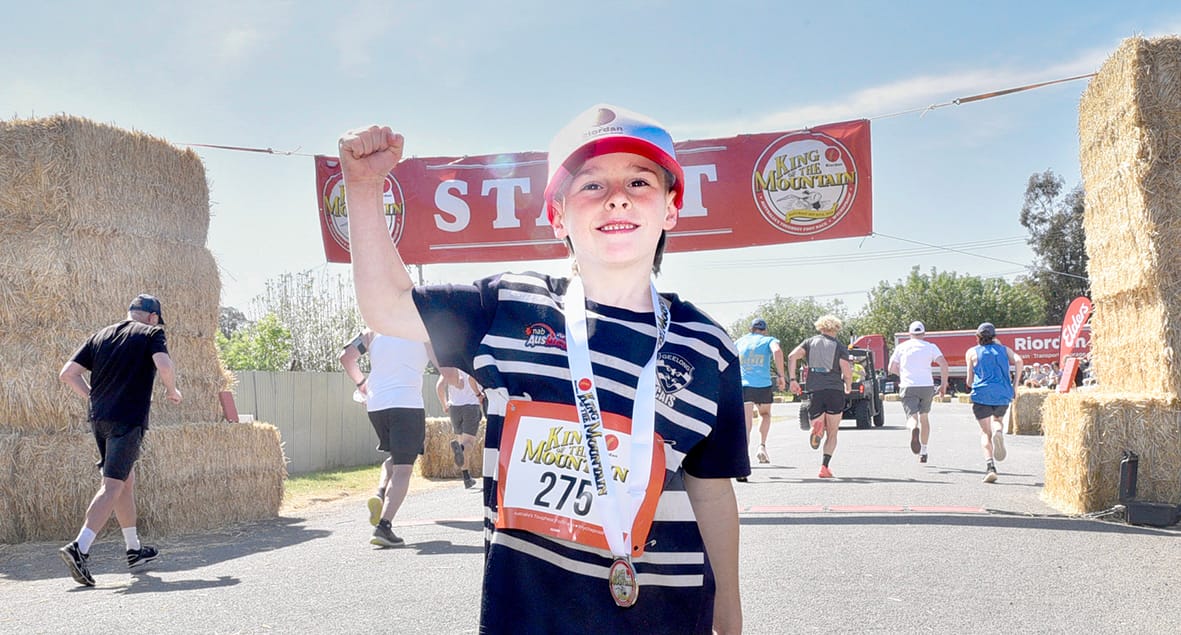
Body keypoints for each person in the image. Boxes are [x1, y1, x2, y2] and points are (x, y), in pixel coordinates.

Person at [339, 103, 747, 634]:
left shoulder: (708, 346)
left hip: (667, 618)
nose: (617, 197)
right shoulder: (508, 307)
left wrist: (730, 614)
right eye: (591, 185)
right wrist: (363, 188)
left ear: (670, 208)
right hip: (527, 618)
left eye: (639, 181)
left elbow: (710, 489)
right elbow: (387, 305)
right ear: (558, 216)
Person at [57, 294, 182, 587]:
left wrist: (94, 397)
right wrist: (172, 390)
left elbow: (68, 374)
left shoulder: (100, 335)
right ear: (152, 317)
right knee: (113, 485)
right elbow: (164, 365)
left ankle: (134, 549)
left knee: (125, 480)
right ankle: (79, 547)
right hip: (127, 419)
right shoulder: (151, 333)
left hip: (100, 419)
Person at [339, 329, 436, 547]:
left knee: (397, 458)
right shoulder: (421, 330)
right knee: (404, 469)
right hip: (407, 404)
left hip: (377, 404)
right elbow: (444, 364)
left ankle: (380, 492)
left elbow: (346, 358)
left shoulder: (372, 330)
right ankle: (384, 527)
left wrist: (361, 384)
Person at [786, 315, 852, 478]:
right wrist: (848, 385)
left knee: (819, 422)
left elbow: (792, 356)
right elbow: (846, 370)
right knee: (833, 432)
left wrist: (793, 380)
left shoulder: (809, 342)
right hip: (834, 390)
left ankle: (816, 430)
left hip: (815, 389)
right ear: (836, 328)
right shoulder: (839, 346)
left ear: (820, 327)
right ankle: (824, 467)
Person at [964, 322, 1023, 483]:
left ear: (977, 337)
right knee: (997, 420)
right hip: (1003, 393)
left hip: (981, 394)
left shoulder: (972, 352)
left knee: (985, 433)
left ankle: (990, 467)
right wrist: (1015, 385)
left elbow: (969, 381)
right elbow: (1018, 361)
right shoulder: (1004, 350)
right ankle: (999, 431)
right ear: (994, 336)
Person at [888, 320, 948, 463]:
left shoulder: (902, 347)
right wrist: (943, 385)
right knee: (924, 417)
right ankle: (924, 451)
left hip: (908, 385)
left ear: (909, 334)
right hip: (927, 386)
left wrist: (902, 374)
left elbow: (891, 368)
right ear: (923, 333)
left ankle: (913, 429)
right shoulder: (931, 347)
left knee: (912, 417)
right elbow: (944, 364)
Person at [734, 317, 786, 473]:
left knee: (746, 423)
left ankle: (743, 457)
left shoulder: (740, 341)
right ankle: (762, 446)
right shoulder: (768, 340)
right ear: (765, 330)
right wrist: (781, 375)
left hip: (744, 385)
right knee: (765, 414)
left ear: (751, 329)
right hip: (763, 385)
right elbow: (777, 351)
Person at [436, 366, 483, 489]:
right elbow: (474, 379)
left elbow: (440, 386)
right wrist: (480, 395)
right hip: (471, 405)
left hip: (454, 408)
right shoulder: (471, 362)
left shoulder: (452, 364)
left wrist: (444, 405)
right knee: (468, 443)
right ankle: (461, 448)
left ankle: (466, 478)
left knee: (462, 441)